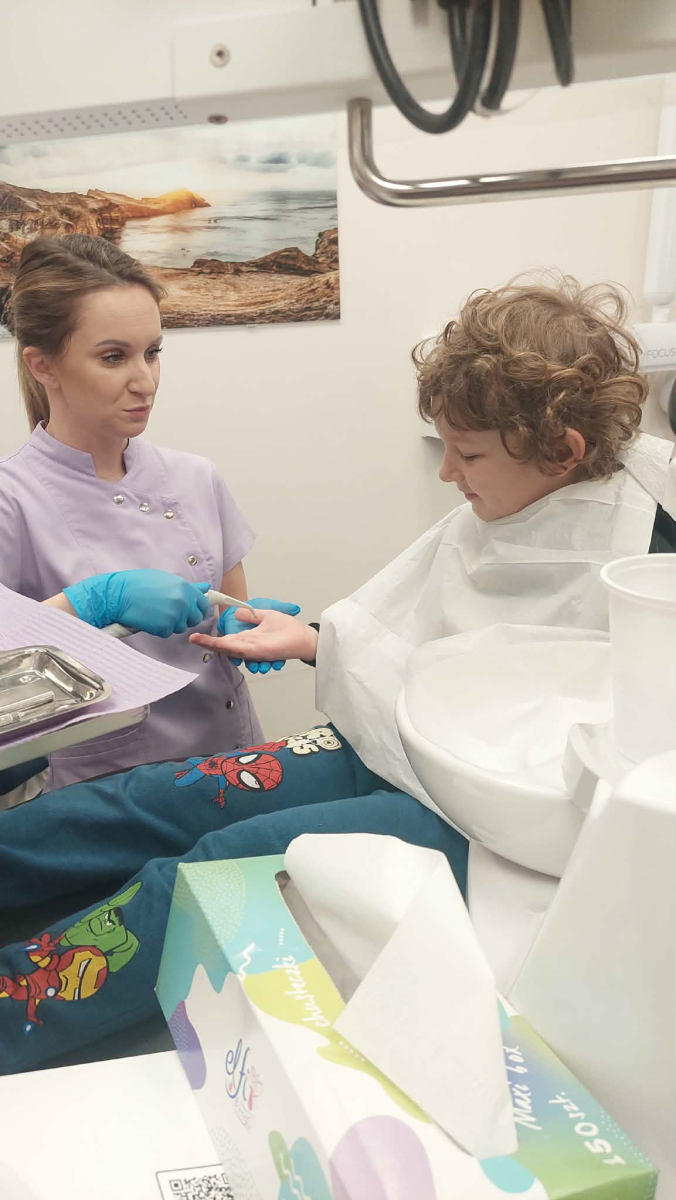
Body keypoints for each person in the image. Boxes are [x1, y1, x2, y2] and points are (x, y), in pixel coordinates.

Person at [0, 276, 674, 1075]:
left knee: (220, 867)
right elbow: (439, 644)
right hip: (408, 749)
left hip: (502, 823)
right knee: (162, 798)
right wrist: (316, 641)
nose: (447, 475)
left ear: (563, 449)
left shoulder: (641, 555)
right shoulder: (519, 493)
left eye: (467, 454)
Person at [0, 235, 297, 792]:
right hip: (111, 786)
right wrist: (90, 603)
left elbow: (231, 602)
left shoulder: (195, 477)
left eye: (153, 352)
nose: (145, 381)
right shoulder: (11, 499)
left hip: (234, 758)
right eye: (113, 357)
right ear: (43, 365)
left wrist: (240, 624)